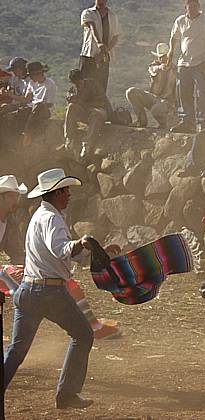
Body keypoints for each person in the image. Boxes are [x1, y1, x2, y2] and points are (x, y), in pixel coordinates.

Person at [4, 168, 98, 409]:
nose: (69, 195)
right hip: (49, 293)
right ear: (56, 193)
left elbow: (63, 254)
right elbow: (63, 250)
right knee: (83, 334)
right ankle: (67, 394)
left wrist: (88, 249)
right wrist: (83, 242)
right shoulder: (52, 218)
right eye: (65, 190)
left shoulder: (42, 215)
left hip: (29, 290)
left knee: (17, 350)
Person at [0, 174, 121, 340]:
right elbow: (60, 250)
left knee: (67, 288)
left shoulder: (11, 221)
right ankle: (92, 327)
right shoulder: (48, 217)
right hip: (30, 279)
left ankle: (93, 327)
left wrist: (29, 271)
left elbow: (16, 253)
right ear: (2, 197)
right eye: (12, 196)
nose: (16, 200)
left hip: (30, 277)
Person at [167, 0, 205, 134]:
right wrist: (170, 52)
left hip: (200, 63)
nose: (193, 9)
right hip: (183, 63)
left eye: (195, 6)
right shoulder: (180, 21)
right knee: (183, 94)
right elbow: (174, 37)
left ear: (199, 7)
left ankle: (203, 124)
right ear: (186, 7)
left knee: (201, 93)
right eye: (190, 7)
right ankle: (187, 122)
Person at [63, 69, 111, 160]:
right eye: (75, 83)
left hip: (99, 110)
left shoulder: (94, 85)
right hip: (85, 112)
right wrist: (72, 100)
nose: (77, 85)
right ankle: (69, 139)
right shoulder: (73, 89)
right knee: (71, 107)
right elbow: (72, 104)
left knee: (96, 114)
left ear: (82, 79)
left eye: (79, 82)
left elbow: (101, 102)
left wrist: (82, 103)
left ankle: (87, 144)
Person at [126, 43, 176, 129]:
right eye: (160, 56)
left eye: (164, 56)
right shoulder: (155, 66)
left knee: (157, 109)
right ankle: (141, 120)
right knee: (131, 92)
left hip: (166, 102)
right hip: (153, 98)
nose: (162, 58)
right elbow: (153, 69)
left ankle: (165, 124)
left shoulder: (175, 70)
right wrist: (161, 67)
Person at [80, 0, 121, 93]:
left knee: (101, 87)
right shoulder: (88, 12)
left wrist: (103, 52)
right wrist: (99, 43)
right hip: (89, 55)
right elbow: (92, 27)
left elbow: (116, 36)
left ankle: (100, 106)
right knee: (84, 85)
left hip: (104, 57)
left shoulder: (112, 16)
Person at [17, 62, 57, 144]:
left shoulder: (50, 83)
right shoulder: (31, 83)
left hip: (45, 109)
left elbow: (50, 103)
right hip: (32, 107)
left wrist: (36, 105)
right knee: (19, 112)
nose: (30, 78)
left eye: (32, 75)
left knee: (38, 106)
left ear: (38, 74)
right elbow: (27, 99)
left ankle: (27, 133)